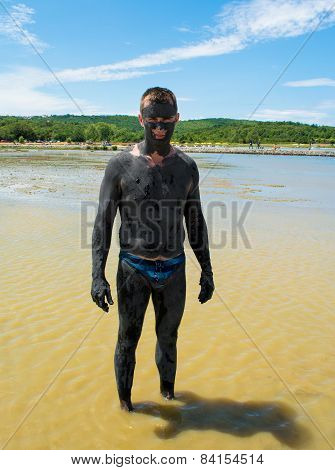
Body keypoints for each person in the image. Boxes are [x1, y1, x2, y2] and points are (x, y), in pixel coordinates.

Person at [91, 87, 214, 412]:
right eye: (152, 120)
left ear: (176, 119)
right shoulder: (119, 166)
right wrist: (97, 275)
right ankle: (125, 409)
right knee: (127, 341)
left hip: (174, 268)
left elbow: (196, 220)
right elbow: (103, 222)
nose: (159, 127)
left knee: (169, 339)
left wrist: (208, 270)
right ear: (140, 119)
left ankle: (169, 399)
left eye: (165, 120)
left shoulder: (187, 167)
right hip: (134, 267)